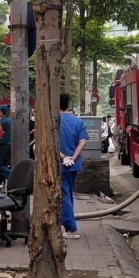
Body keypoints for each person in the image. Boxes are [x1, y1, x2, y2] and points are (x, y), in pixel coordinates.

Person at [59, 93, 89, 239]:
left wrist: (63, 157)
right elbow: (83, 142)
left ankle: (71, 229)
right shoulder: (77, 121)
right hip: (74, 165)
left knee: (64, 195)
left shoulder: (52, 121)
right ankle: (66, 225)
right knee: (69, 193)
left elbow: (50, 143)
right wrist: (73, 158)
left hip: (59, 164)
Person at [0, 105, 12, 182]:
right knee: (4, 163)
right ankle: (0, 182)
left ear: (1, 113)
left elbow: (0, 135)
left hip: (2, 145)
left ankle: (11, 176)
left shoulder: (3, 122)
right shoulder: (9, 120)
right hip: (8, 144)